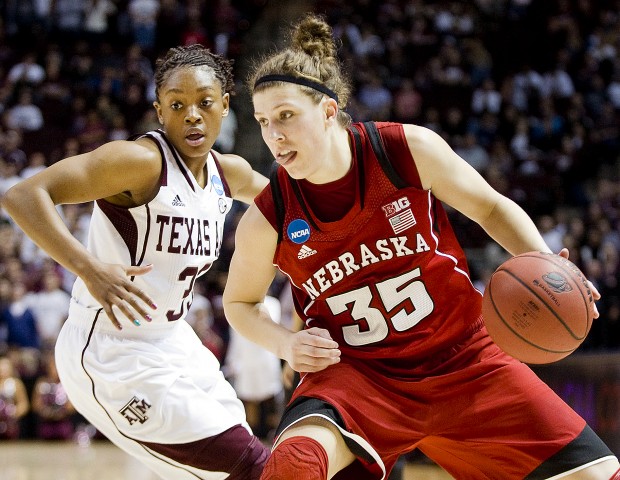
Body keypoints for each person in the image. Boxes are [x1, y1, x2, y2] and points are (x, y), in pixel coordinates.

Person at [222, 14, 620, 480]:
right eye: (263, 121)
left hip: (462, 357)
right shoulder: (268, 216)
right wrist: (286, 342)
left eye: (286, 115)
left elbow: (490, 207)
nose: (273, 135)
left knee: (598, 476)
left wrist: (548, 263)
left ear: (329, 110)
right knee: (294, 464)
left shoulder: (402, 149)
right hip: (357, 376)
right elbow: (239, 302)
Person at [1, 44, 269, 479]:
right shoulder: (140, 162)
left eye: (204, 103)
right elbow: (24, 196)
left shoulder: (229, 172)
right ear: (159, 112)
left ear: (224, 106)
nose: (192, 115)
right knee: (249, 466)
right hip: (112, 351)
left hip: (175, 343)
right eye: (177, 105)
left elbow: (293, 206)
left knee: (234, 463)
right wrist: (88, 267)